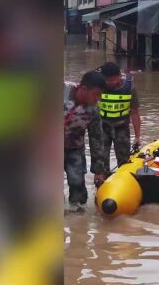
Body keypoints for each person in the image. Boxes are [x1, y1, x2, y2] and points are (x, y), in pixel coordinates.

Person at [64, 71, 106, 212]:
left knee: (77, 184)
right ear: (83, 89)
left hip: (74, 148)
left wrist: (99, 170)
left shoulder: (93, 110)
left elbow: (96, 139)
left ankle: (78, 225)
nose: (98, 99)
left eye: (100, 95)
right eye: (96, 94)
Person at [99, 62, 141, 172]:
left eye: (113, 79)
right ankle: (101, 184)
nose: (110, 83)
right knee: (101, 162)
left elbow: (135, 112)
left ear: (119, 76)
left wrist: (137, 137)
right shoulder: (97, 85)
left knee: (124, 162)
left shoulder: (129, 87)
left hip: (121, 127)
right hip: (102, 127)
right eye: (107, 80)